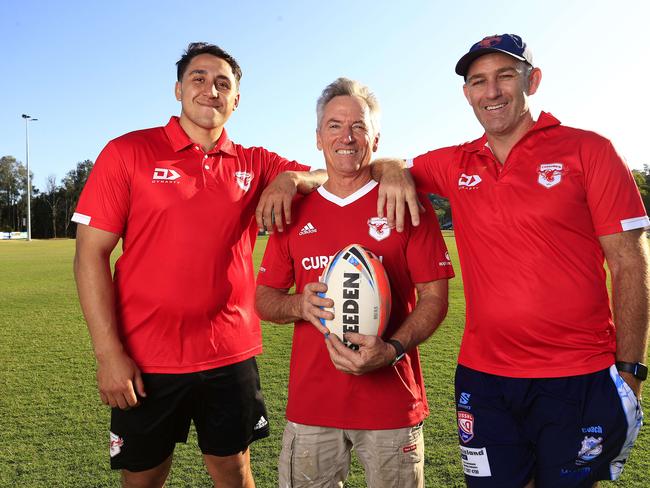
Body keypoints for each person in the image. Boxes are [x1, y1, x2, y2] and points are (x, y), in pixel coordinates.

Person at [369, 34, 649, 487]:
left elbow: (629, 263)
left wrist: (631, 370)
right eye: (478, 81)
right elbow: (384, 165)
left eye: (505, 76)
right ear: (467, 94)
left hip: (576, 374)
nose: (491, 91)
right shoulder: (456, 162)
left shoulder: (588, 150)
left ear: (531, 81)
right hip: (485, 378)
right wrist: (392, 169)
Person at [72, 42, 324, 488]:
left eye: (223, 83)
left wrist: (290, 177)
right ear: (178, 89)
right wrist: (108, 354)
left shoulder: (256, 161)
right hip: (147, 357)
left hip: (230, 351)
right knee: (143, 477)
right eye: (199, 79)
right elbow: (90, 254)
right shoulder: (127, 151)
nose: (211, 90)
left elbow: (333, 175)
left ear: (237, 100)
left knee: (233, 469)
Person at [255, 77, 454, 488]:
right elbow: (264, 299)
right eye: (334, 125)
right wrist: (298, 306)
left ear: (375, 140)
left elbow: (435, 298)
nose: (346, 136)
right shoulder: (293, 209)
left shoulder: (405, 202)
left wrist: (393, 348)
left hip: (392, 407)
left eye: (358, 126)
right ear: (318, 137)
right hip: (312, 408)